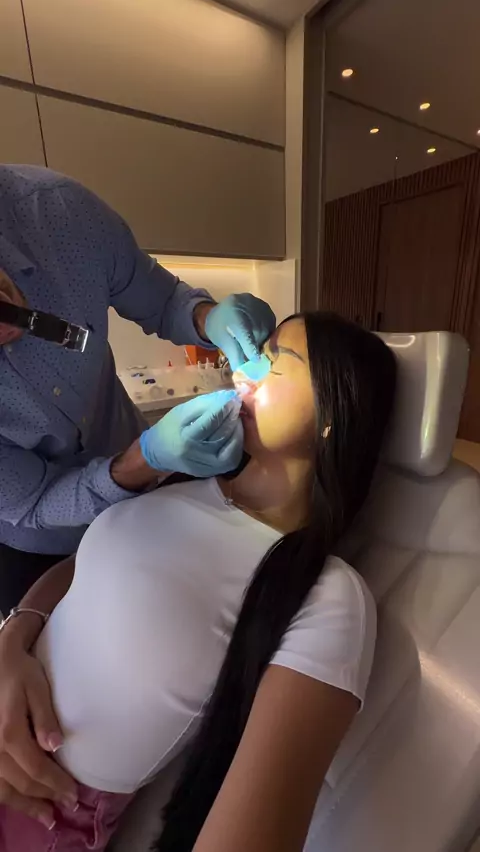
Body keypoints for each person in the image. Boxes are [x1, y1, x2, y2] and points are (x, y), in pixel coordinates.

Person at [0, 313, 397, 852]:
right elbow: (80, 570)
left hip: (39, 808)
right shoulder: (182, 483)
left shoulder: (329, 597)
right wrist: (12, 640)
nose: (243, 371)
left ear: (333, 414)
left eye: (277, 361)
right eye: (254, 354)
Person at [0, 164, 275, 610]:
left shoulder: (58, 214)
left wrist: (207, 318)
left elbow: (164, 300)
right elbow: (35, 503)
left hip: (151, 508)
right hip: (38, 544)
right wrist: (142, 461)